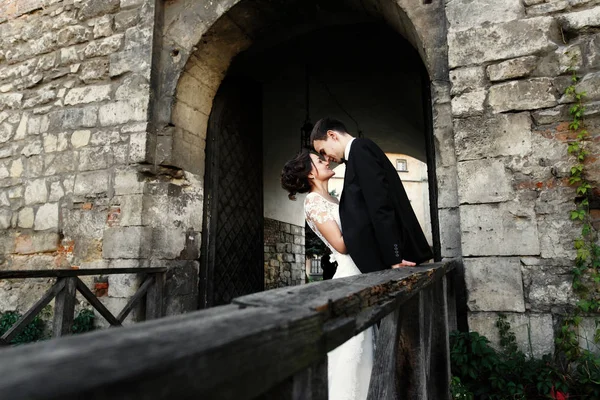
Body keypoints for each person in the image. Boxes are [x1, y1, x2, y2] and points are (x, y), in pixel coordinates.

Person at [281, 150, 373, 400]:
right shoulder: (313, 201)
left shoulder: (333, 199)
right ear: (311, 173)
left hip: (361, 273)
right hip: (349, 275)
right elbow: (341, 244)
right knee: (349, 351)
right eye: (320, 160)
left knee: (363, 350)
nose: (327, 160)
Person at [311, 117, 433, 273]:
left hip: (400, 258)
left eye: (323, 151)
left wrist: (394, 257)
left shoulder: (360, 150)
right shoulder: (357, 153)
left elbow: (381, 205)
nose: (327, 158)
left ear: (332, 135)